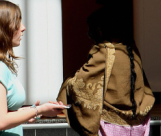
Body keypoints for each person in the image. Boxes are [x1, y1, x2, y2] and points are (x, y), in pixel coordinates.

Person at [0, 0, 67, 135]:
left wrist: (33, 111)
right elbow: (0, 122)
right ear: (0, 28)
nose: (23, 27)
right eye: (17, 22)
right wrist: (38, 110)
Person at [57, 8, 154, 136]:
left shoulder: (106, 52)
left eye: (90, 29)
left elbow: (80, 84)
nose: (88, 34)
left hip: (111, 126)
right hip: (139, 125)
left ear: (100, 30)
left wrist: (68, 82)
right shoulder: (130, 49)